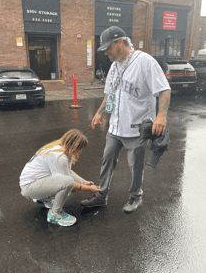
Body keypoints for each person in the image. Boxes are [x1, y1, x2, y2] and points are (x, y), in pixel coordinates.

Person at [81, 26, 171, 213]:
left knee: (135, 166)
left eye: (108, 48)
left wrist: (161, 115)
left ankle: (135, 197)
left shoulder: (145, 61)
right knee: (107, 160)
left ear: (119, 42)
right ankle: (101, 195)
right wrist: (100, 112)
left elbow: (164, 89)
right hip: (115, 127)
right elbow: (110, 94)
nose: (106, 52)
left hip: (136, 129)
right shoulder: (114, 66)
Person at [20, 129, 100, 226]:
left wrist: (84, 181)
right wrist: (89, 189)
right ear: (76, 148)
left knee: (76, 180)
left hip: (36, 182)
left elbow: (67, 171)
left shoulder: (61, 148)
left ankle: (45, 198)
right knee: (69, 182)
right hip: (29, 188)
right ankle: (54, 215)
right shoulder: (60, 156)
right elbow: (69, 183)